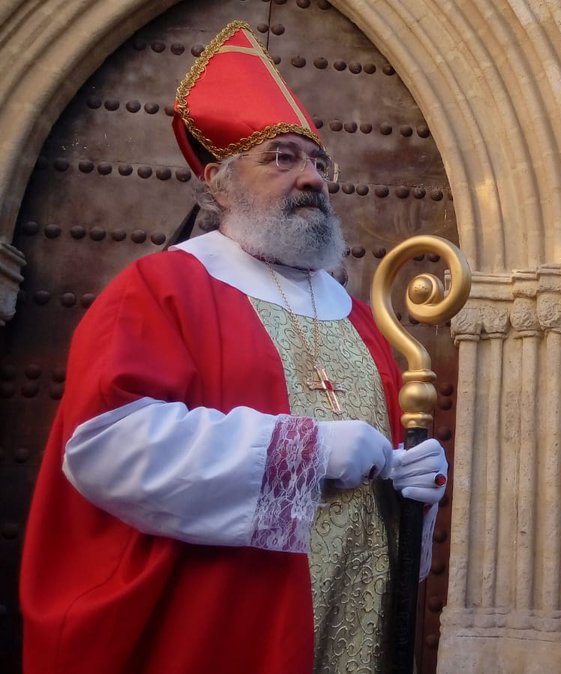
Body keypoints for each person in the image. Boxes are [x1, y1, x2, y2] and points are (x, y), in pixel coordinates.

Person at [20, 21, 448, 674]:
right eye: (282, 158)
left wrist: (414, 478)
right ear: (220, 183)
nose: (312, 178)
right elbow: (106, 448)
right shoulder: (162, 288)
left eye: (317, 161)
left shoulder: (358, 318)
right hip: (227, 625)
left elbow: (373, 468)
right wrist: (307, 451)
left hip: (353, 627)